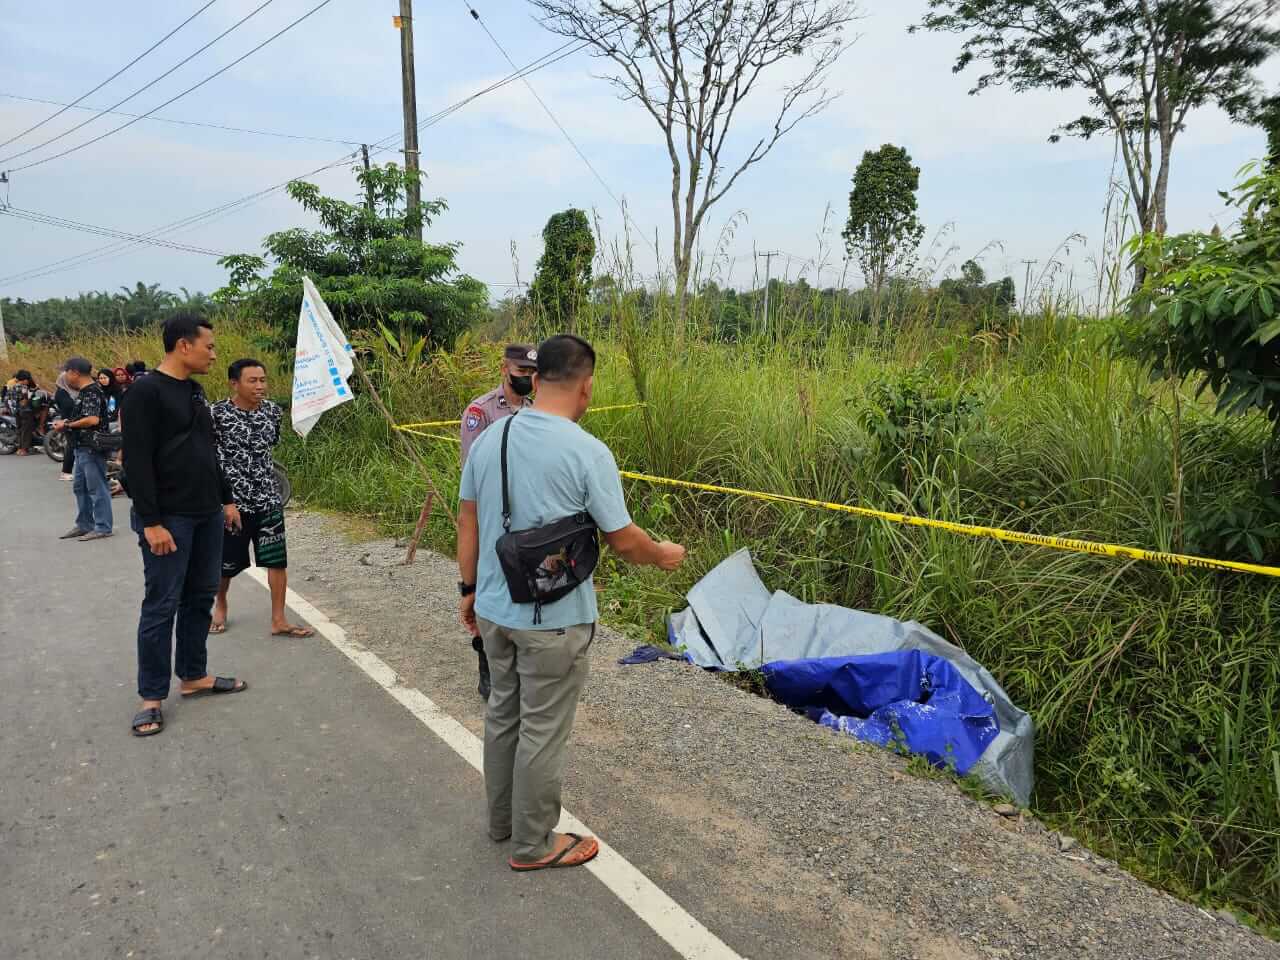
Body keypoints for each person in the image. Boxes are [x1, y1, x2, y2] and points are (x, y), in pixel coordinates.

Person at [457, 333, 686, 872]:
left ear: (535, 382)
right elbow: (624, 540)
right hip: (553, 620)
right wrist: (663, 555)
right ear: (586, 387)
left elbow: (467, 517)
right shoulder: (587, 451)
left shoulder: (490, 437)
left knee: (502, 714)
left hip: (493, 609)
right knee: (542, 727)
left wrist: (468, 590)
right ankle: (534, 844)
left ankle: (502, 823)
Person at [121, 313, 247, 738]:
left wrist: (226, 499)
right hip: (169, 519)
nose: (214, 353)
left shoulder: (194, 391)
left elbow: (209, 452)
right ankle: (151, 697)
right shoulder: (144, 393)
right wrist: (152, 522)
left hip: (207, 513)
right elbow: (136, 461)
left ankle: (193, 675)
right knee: (161, 604)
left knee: (199, 598)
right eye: (208, 346)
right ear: (183, 345)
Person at [210, 358, 313, 639]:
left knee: (276, 560)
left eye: (263, 380)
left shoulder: (271, 412)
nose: (260, 386)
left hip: (268, 500)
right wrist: (224, 500)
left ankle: (278, 619)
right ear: (234, 383)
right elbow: (210, 458)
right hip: (233, 504)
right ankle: (220, 605)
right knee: (226, 564)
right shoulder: (216, 414)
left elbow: (271, 446)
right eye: (252, 381)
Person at [459, 343, 539, 698]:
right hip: (491, 518)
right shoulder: (482, 411)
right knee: (486, 590)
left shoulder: (538, 411)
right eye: (522, 373)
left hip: (529, 519)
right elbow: (472, 474)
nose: (528, 380)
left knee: (525, 591)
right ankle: (486, 665)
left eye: (533, 374)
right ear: (505, 368)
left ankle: (519, 666)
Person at [53, 357, 114, 541]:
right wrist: (68, 422)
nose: (65, 376)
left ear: (74, 373)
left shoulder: (92, 392)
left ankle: (103, 526)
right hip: (81, 446)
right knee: (80, 487)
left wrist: (68, 425)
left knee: (97, 487)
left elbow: (92, 420)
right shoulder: (84, 391)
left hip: (91, 446)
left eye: (66, 372)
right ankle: (84, 524)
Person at [53, 371, 79, 480]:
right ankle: (66, 472)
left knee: (74, 446)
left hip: (73, 421)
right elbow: (68, 407)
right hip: (69, 422)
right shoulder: (62, 392)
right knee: (72, 446)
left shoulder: (71, 391)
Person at [8, 369, 38, 456]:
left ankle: (19, 449)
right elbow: (25, 400)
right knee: (26, 430)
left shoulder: (13, 386)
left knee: (19, 430)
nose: (28, 381)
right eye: (27, 380)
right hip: (25, 411)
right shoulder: (24, 388)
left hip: (16, 411)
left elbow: (10, 399)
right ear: (25, 380)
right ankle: (24, 449)